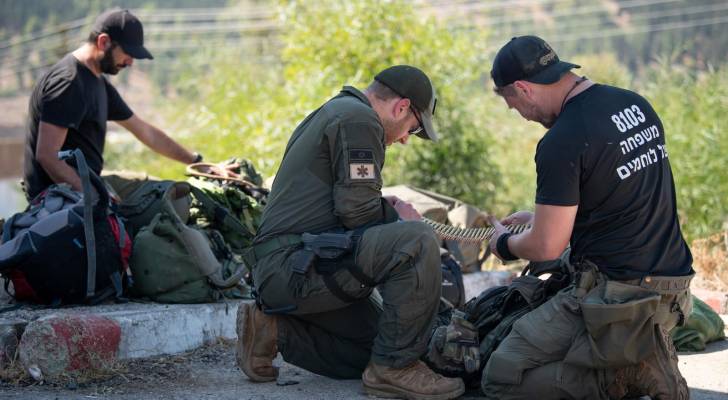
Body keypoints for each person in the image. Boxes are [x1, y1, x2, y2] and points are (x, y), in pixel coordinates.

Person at [481, 35, 694, 399]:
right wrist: (540, 218)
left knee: (501, 376)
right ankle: (634, 356)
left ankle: (625, 374)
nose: (519, 114)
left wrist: (502, 242)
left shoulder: (562, 139)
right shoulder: (633, 104)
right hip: (674, 298)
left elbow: (547, 247)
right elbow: (619, 200)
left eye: (512, 104)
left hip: (618, 303)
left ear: (522, 89)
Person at [236, 65, 465, 400]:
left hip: (295, 266)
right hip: (295, 267)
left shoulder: (338, 111)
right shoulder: (359, 119)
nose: (403, 139)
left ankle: (273, 332)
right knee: (417, 239)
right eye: (412, 130)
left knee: (383, 345)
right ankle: (395, 371)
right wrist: (398, 217)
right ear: (401, 107)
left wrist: (385, 211)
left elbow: (348, 205)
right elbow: (357, 213)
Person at [23, 9, 200, 201]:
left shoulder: (97, 80)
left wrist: (196, 162)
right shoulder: (69, 83)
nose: (130, 62)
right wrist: (94, 195)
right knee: (164, 211)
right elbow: (47, 155)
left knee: (170, 191)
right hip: (57, 195)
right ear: (104, 42)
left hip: (88, 179)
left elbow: (145, 131)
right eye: (128, 53)